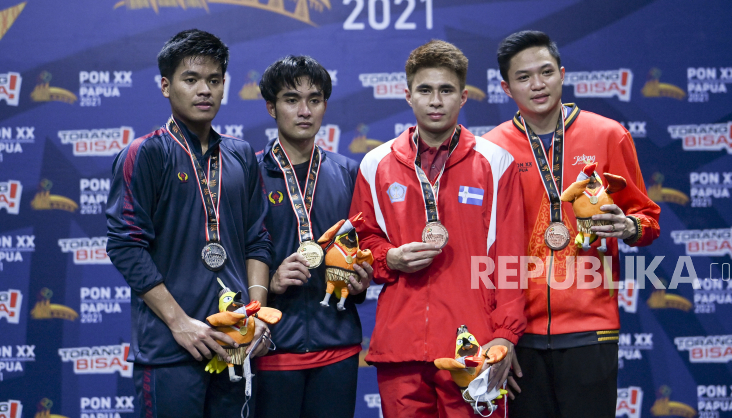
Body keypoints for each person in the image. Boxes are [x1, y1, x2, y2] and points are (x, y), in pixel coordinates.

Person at [483, 30, 661, 418]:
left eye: (546, 72)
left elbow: (649, 222)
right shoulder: (491, 150)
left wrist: (629, 227)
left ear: (562, 73)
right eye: (524, 77)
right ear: (505, 87)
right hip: (519, 335)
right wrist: (498, 335)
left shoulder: (608, 134)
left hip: (590, 328)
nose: (538, 84)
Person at [349, 39, 526, 418]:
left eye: (446, 90)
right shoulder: (376, 163)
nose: (435, 100)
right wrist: (389, 257)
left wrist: (504, 335)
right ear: (407, 95)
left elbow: (511, 256)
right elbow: (363, 240)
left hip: (473, 347)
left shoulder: (496, 163)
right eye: (425, 90)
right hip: (401, 347)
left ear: (463, 97)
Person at [106, 29, 272, 417]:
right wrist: (180, 323)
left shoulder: (241, 154)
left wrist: (258, 315)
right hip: (171, 347)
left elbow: (257, 241)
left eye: (214, 81)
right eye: (191, 79)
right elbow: (125, 245)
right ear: (166, 86)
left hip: (235, 346)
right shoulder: (145, 153)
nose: (205, 90)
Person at [254, 55, 372, 418]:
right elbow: (234, 252)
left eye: (315, 100)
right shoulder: (249, 174)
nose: (304, 110)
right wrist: (270, 281)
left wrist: (362, 281)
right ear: (272, 107)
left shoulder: (350, 172)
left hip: (337, 346)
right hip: (271, 346)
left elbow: (365, 250)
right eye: (292, 100)